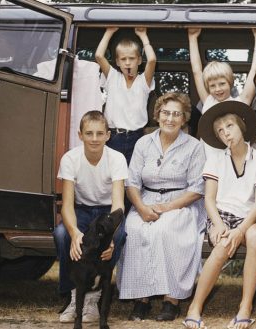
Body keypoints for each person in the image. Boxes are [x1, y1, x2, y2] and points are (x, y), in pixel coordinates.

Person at [117, 92, 206, 322]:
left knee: (165, 230)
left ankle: (171, 299)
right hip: (145, 200)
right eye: (166, 113)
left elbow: (197, 188)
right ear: (157, 115)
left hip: (181, 203)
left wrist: (168, 207)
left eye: (177, 114)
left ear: (184, 118)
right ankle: (141, 299)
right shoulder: (143, 143)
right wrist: (141, 207)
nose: (170, 118)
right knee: (134, 229)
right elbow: (132, 183)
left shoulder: (194, 147)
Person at [183, 101, 256, 329]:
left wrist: (239, 231)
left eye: (229, 126)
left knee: (255, 237)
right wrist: (219, 225)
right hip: (221, 214)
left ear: (241, 126)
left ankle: (245, 307)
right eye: (220, 131)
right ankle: (195, 308)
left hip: (248, 217)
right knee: (221, 247)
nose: (225, 133)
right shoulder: (215, 159)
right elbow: (209, 199)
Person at [53, 110, 128, 323]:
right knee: (62, 235)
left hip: (107, 213)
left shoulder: (117, 158)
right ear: (80, 135)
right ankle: (74, 295)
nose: (94, 139)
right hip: (82, 210)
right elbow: (66, 205)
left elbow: (118, 205)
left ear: (108, 135)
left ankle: (94, 298)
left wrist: (112, 237)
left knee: (119, 237)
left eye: (99, 133)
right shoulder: (70, 158)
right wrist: (75, 233)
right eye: (89, 133)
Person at [188, 27, 256, 158]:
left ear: (230, 82)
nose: (218, 89)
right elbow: (196, 70)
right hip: (208, 159)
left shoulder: (240, 103)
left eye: (222, 84)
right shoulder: (208, 101)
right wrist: (192, 38)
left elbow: (254, 70)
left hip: (232, 159)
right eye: (212, 86)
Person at [95, 26, 156, 164]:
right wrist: (109, 31)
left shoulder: (143, 81)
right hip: (113, 136)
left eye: (132, 58)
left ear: (139, 60)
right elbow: (99, 55)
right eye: (123, 59)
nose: (127, 62)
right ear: (117, 62)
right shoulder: (112, 77)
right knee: (113, 175)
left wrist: (143, 36)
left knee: (133, 177)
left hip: (137, 137)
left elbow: (152, 60)